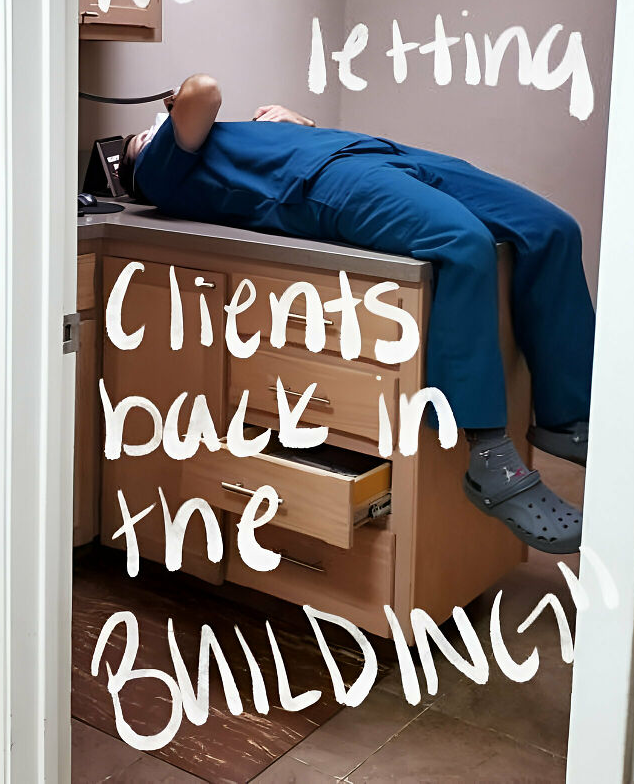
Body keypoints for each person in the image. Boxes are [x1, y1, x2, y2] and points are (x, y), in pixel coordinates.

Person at [119, 74, 593, 556]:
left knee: (552, 228)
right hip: (324, 182)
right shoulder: (159, 170)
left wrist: (296, 123)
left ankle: (571, 419)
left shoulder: (220, 143)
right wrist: (175, 110)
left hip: (376, 153)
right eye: (141, 138)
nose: (147, 132)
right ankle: (490, 456)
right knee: (464, 245)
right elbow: (204, 90)